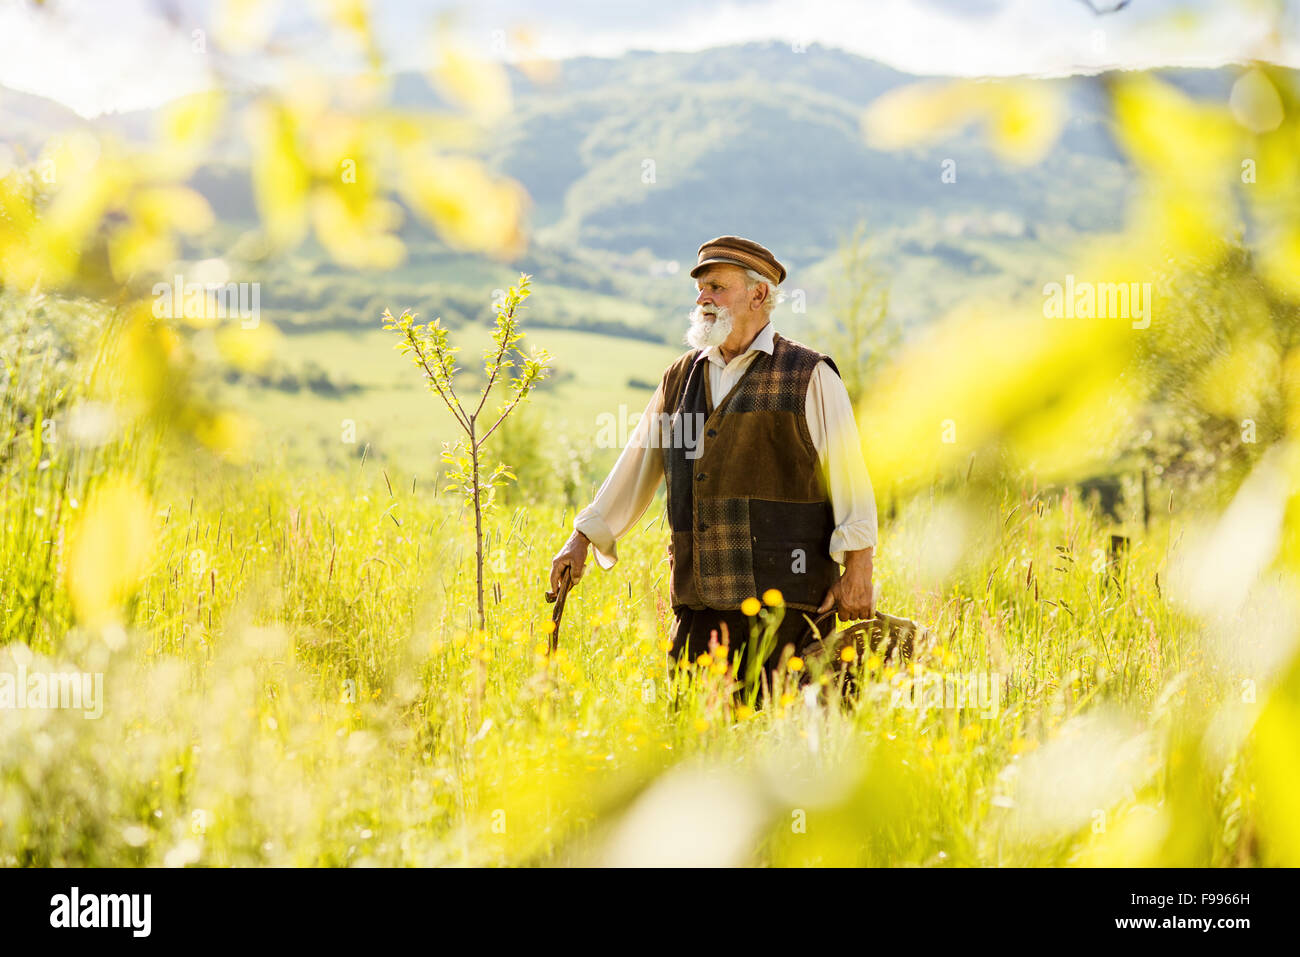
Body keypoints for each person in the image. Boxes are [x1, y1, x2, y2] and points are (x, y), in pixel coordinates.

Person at [549, 235, 879, 697]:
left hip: (787, 611)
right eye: (701, 288)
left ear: (759, 295)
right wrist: (582, 538)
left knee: (778, 747)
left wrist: (858, 569)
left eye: (717, 287)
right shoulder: (680, 377)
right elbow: (635, 466)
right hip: (698, 607)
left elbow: (851, 478)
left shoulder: (809, 374)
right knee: (692, 744)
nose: (703, 298)